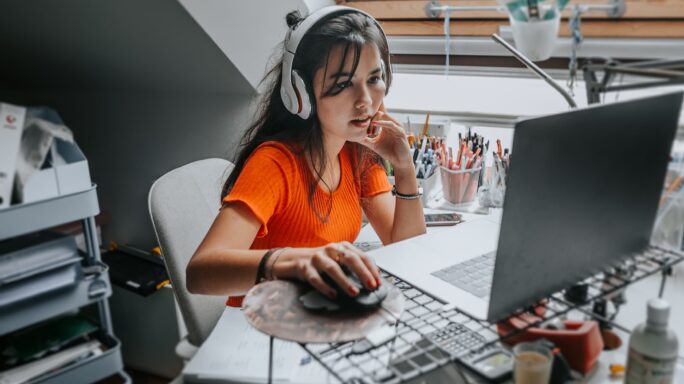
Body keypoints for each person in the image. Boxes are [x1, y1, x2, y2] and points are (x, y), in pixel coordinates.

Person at [186, 6, 426, 305]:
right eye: (342, 84)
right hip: (261, 326)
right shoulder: (274, 163)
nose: (365, 102)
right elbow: (199, 273)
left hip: (319, 313)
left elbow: (408, 247)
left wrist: (404, 167)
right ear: (301, 93)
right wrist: (293, 262)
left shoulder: (356, 151)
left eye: (374, 79)